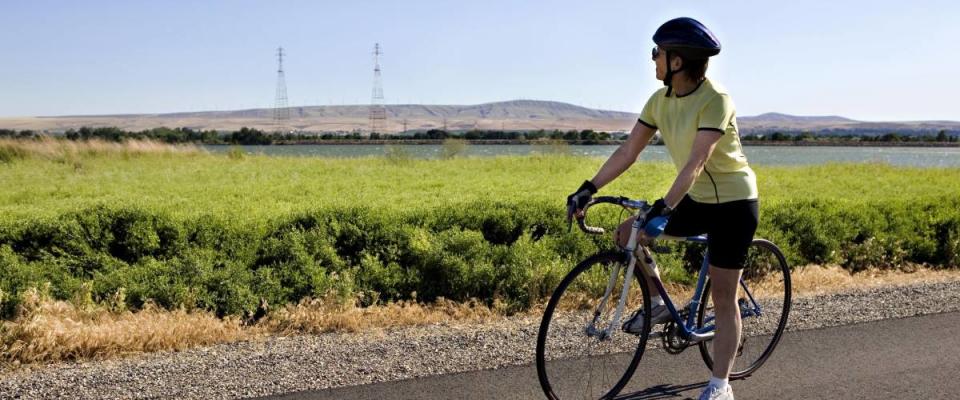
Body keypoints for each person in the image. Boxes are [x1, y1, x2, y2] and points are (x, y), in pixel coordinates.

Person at [566, 17, 758, 400]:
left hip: (734, 204)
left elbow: (697, 161)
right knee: (628, 235)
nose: (653, 59)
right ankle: (657, 301)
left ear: (678, 61)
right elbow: (628, 151)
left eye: (658, 53)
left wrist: (665, 207)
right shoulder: (659, 101)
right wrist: (588, 188)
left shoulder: (715, 99)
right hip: (699, 198)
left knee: (723, 298)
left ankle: (721, 386)